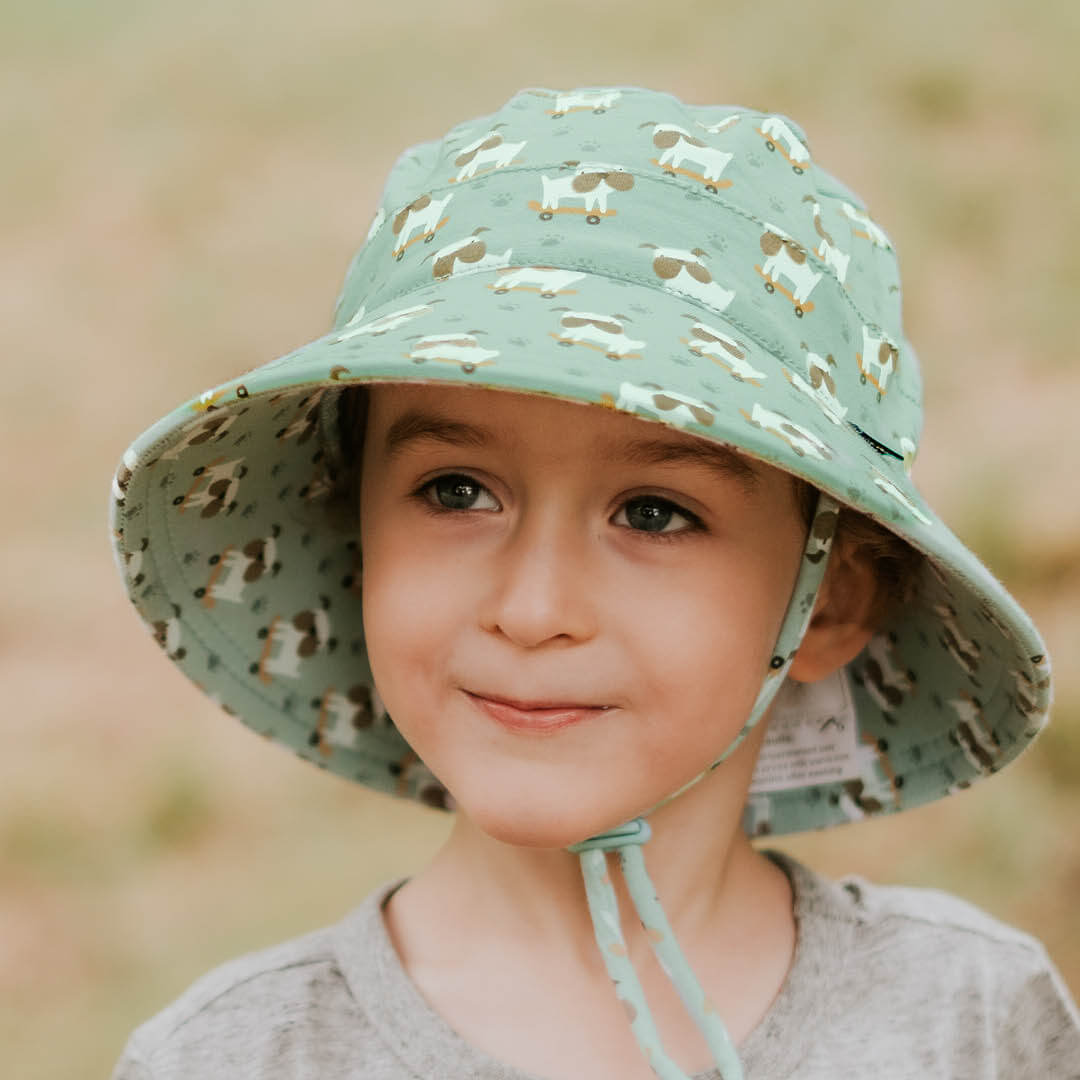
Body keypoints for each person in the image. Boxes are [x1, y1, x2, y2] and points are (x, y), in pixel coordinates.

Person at [109, 86, 1079, 1079]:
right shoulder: (231, 1058)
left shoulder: (972, 1020)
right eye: (456, 491)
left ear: (828, 600)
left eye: (653, 512)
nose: (532, 611)